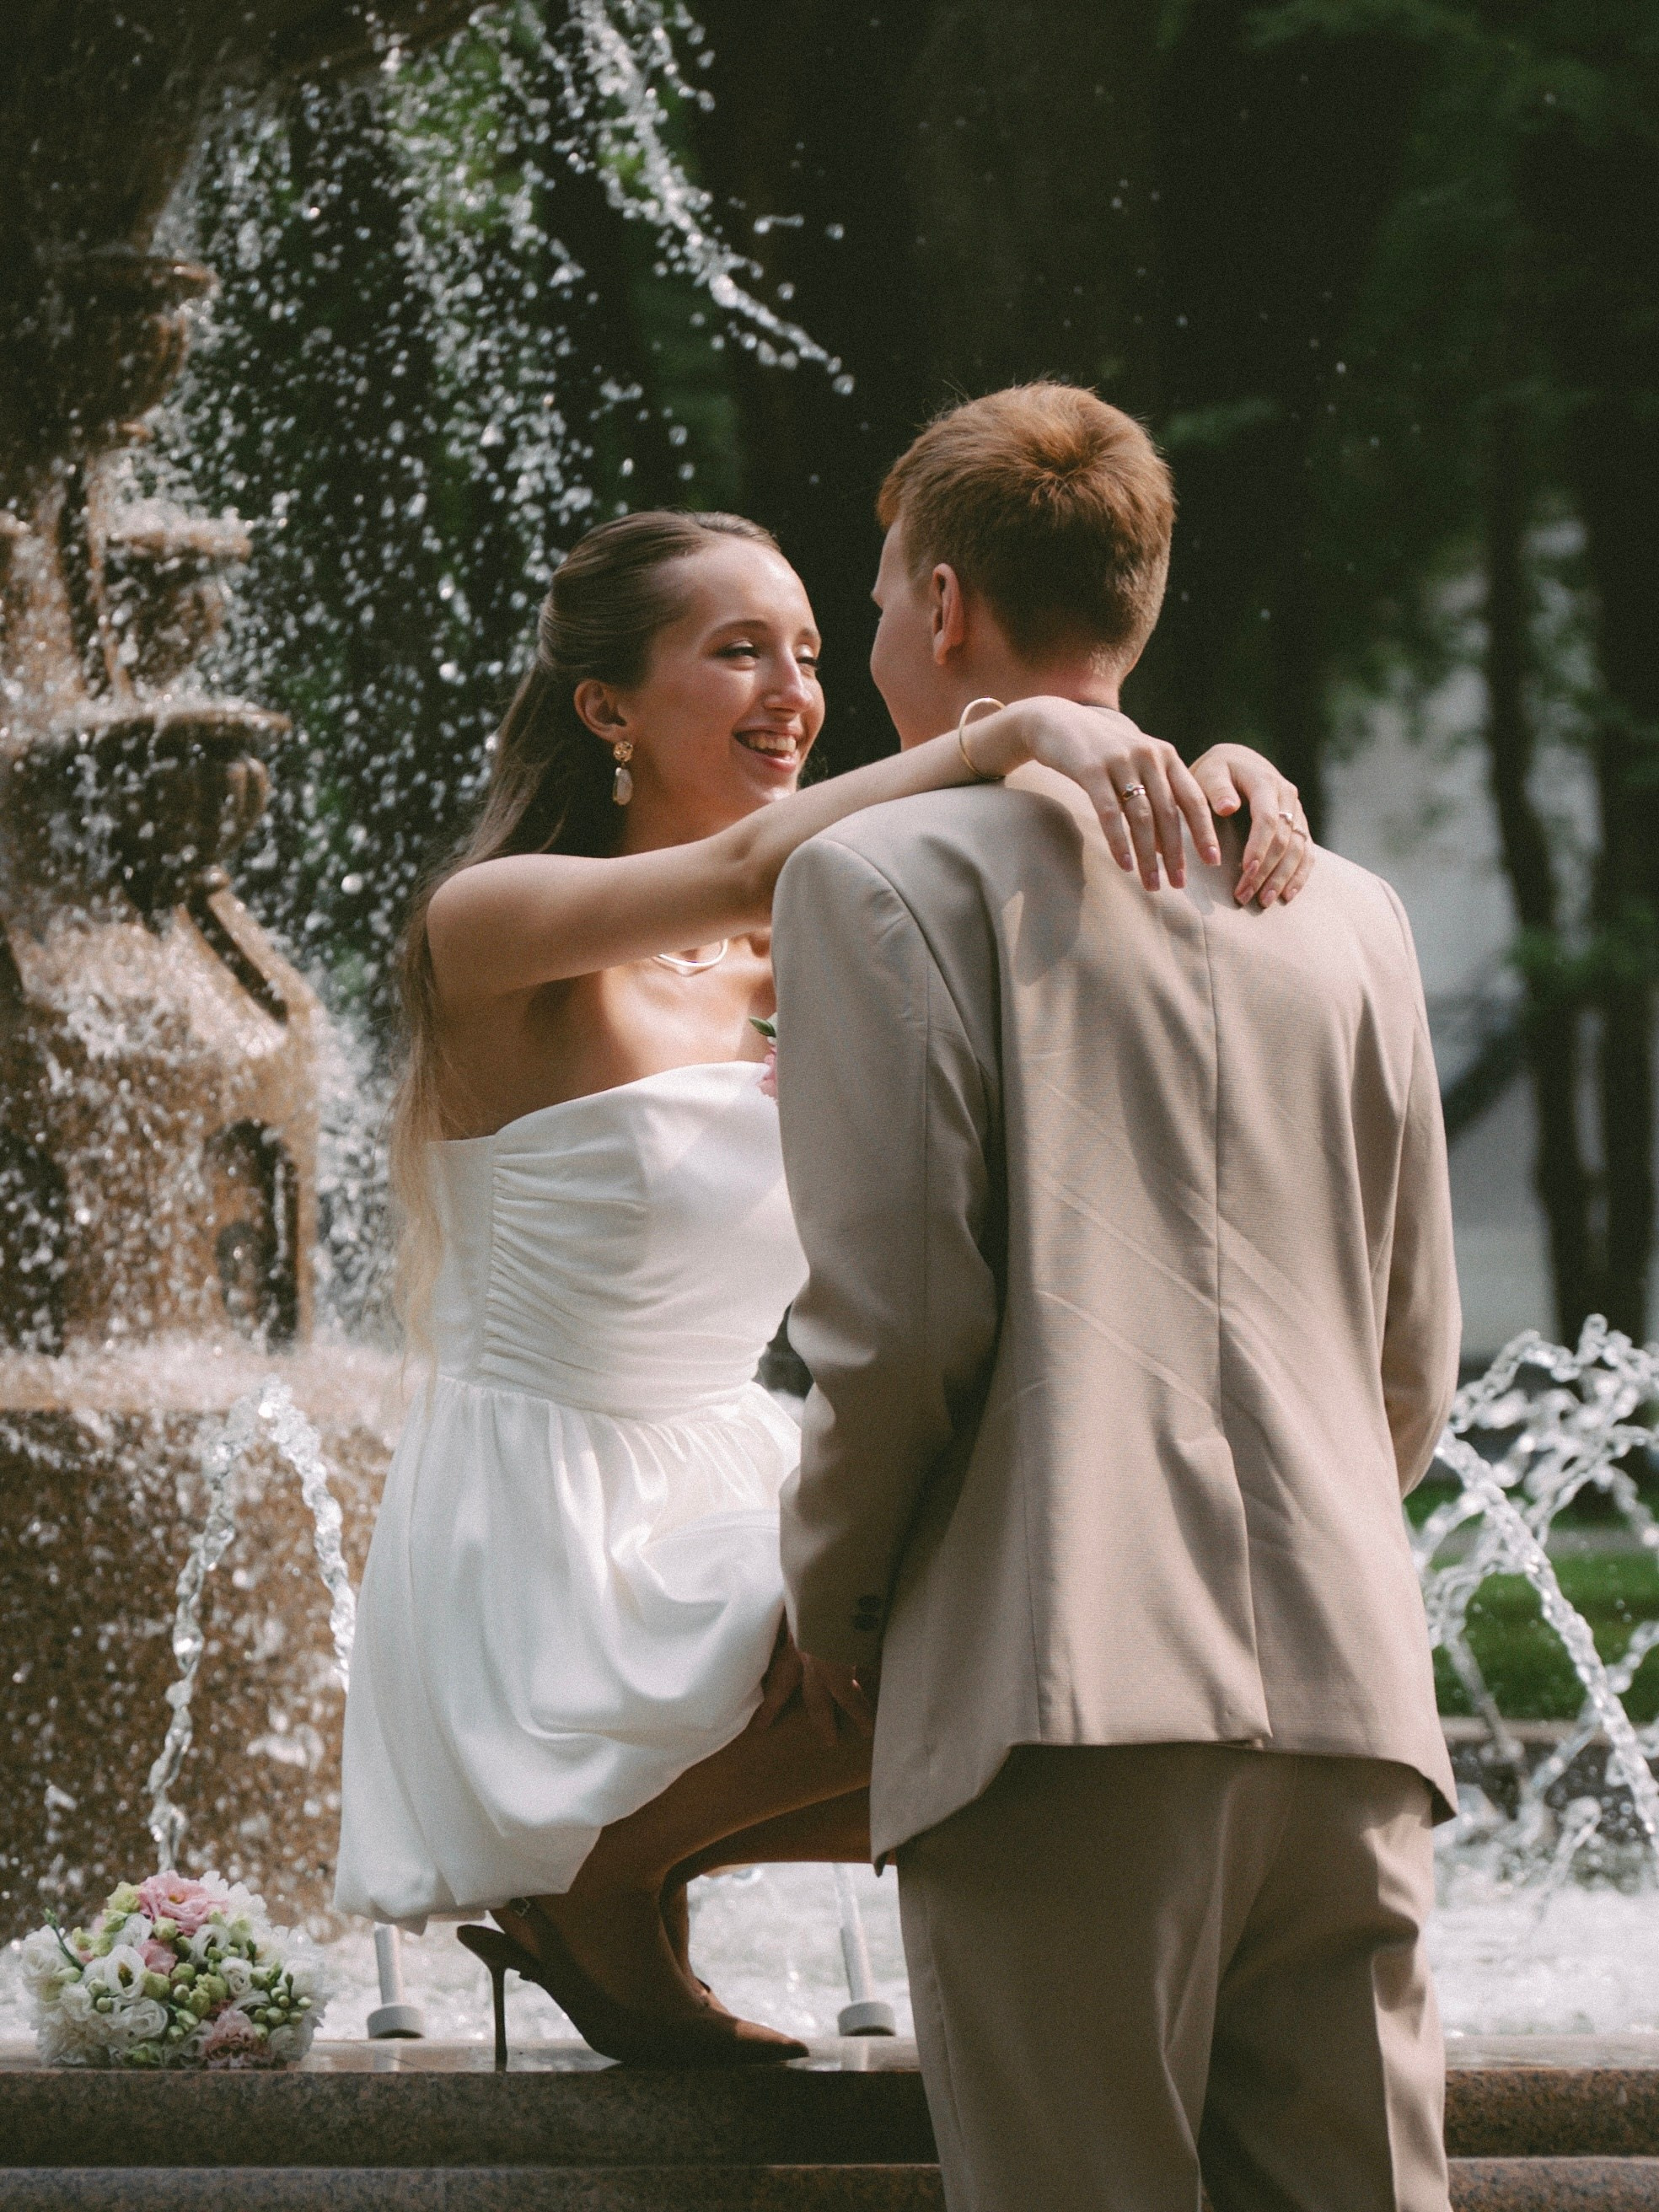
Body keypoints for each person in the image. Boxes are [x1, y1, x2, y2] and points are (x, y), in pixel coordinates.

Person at [333, 503, 1310, 2067]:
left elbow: (1062, 924)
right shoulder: (495, 925)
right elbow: (739, 860)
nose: (793, 688)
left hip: (737, 1473)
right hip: (551, 1525)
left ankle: (630, 1874)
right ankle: (600, 1877)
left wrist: (1212, 787)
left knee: (1041, 1698)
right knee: (953, 1636)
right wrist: (1019, 732)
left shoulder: (807, 943)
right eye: (735, 652)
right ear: (606, 710)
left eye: (805, 649)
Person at [772, 384, 1460, 2207]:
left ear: (939, 607)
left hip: (1053, 1689)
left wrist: (838, 1595)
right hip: (1351, 1699)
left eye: (868, 602)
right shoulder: (1350, 909)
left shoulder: (876, 878)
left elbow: (903, 1325)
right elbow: (1411, 1359)